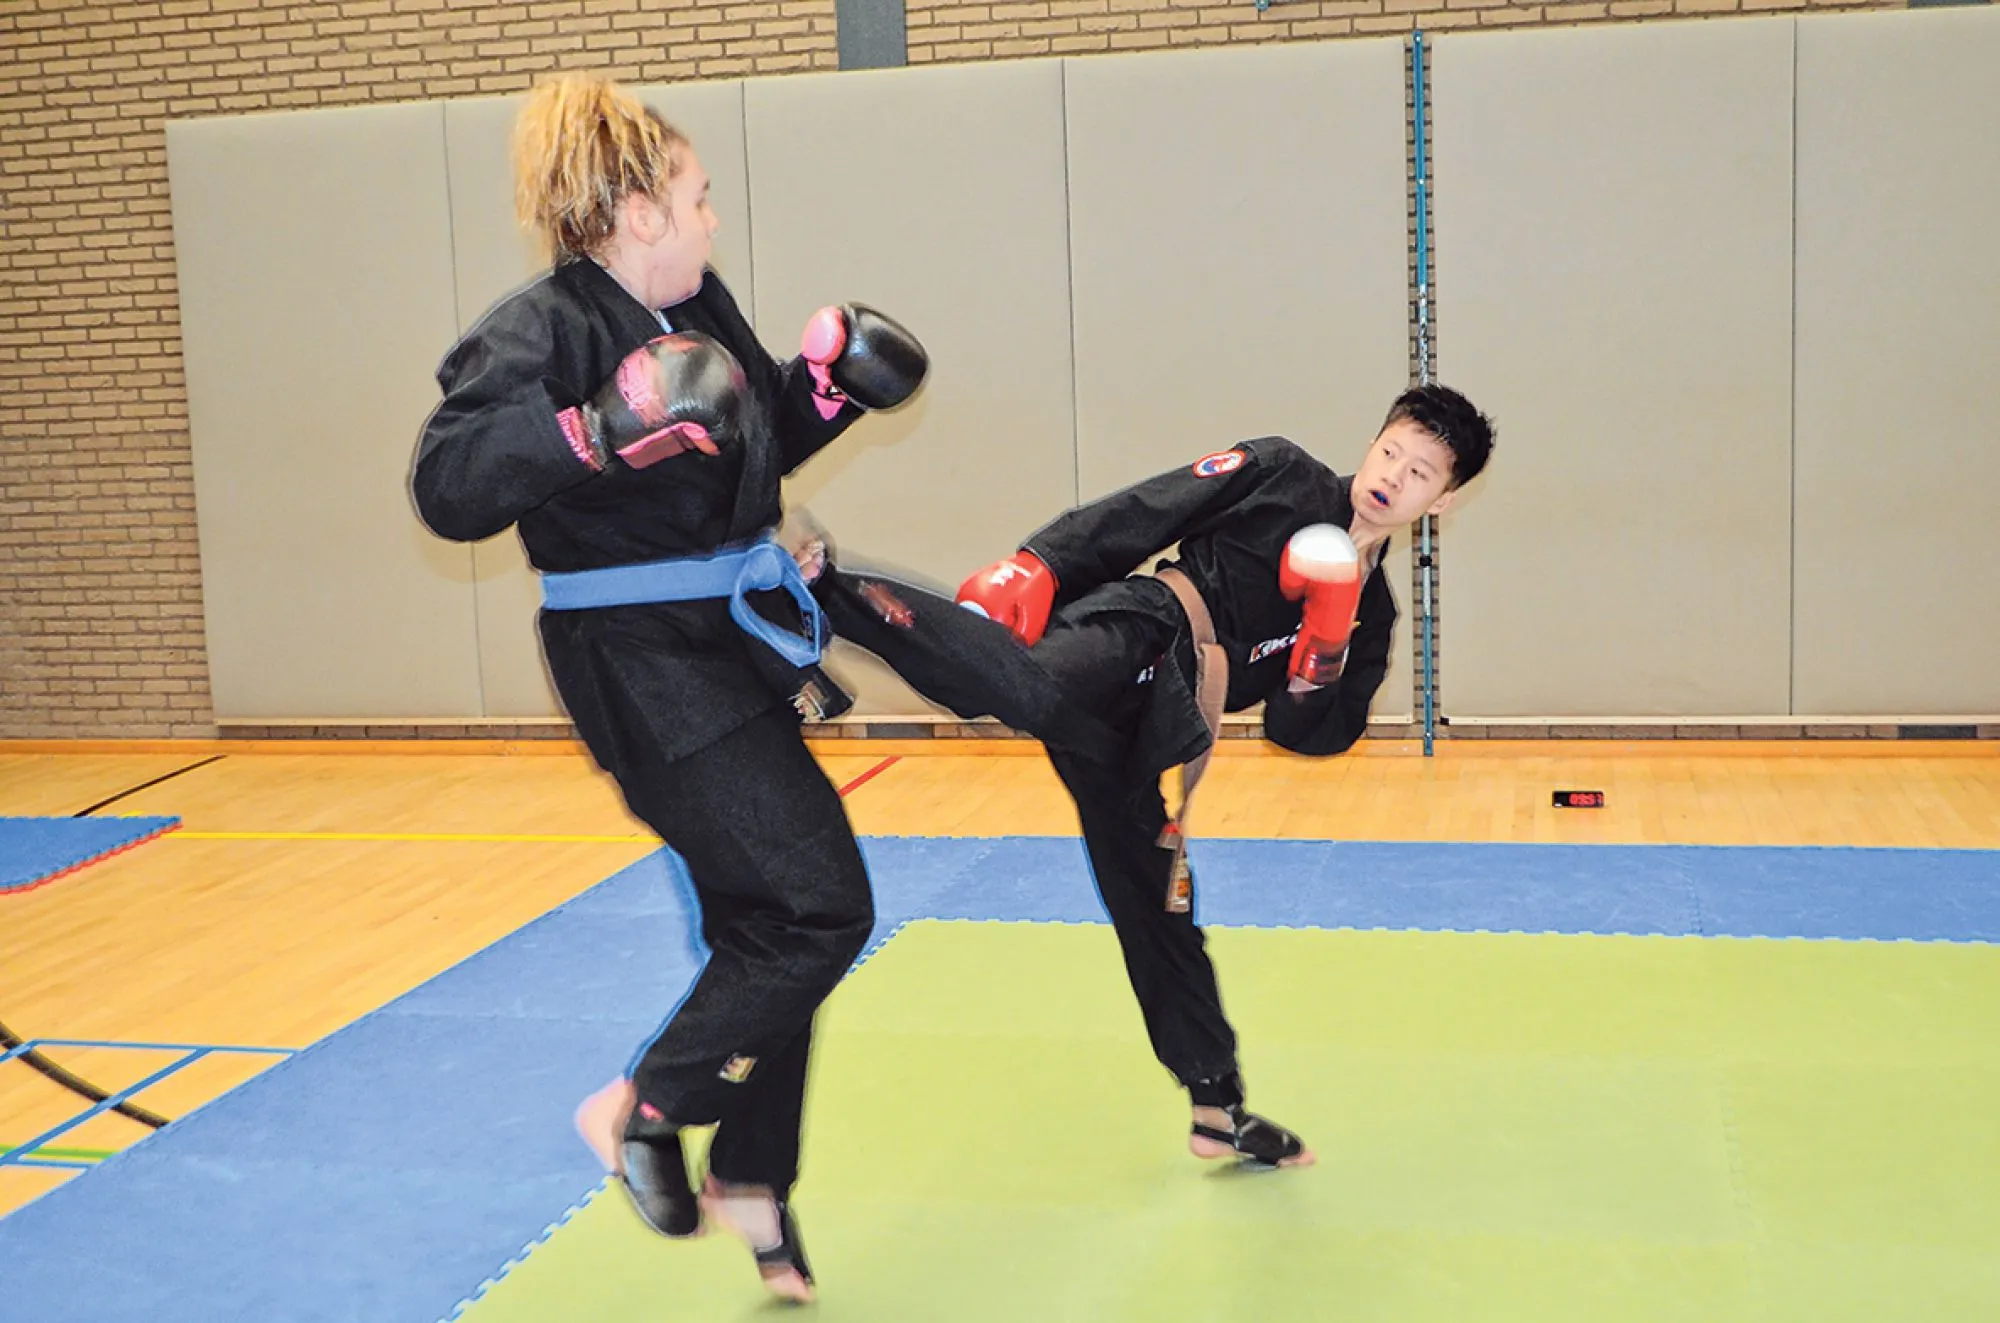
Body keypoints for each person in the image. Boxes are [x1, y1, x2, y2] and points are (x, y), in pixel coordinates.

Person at [409, 71, 926, 1304]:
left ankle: (750, 1179)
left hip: (720, 641)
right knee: (818, 908)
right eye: (697, 199)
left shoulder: (700, 312)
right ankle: (642, 1105)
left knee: (769, 927)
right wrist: (592, 428)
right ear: (637, 210)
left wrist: (826, 392)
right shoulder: (541, 329)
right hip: (636, 666)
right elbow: (448, 486)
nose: (710, 221)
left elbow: (747, 448)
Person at [815, 385, 1495, 1169]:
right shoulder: (1282, 472)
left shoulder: (1370, 613)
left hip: (1156, 725)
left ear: (1443, 500)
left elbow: (1307, 733)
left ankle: (1218, 1106)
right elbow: (1151, 508)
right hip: (1140, 631)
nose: (1392, 476)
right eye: (1391, 453)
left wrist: (1322, 652)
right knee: (1017, 685)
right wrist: (1040, 562)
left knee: (1159, 903)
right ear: (1373, 441)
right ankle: (827, 591)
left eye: (1419, 474)